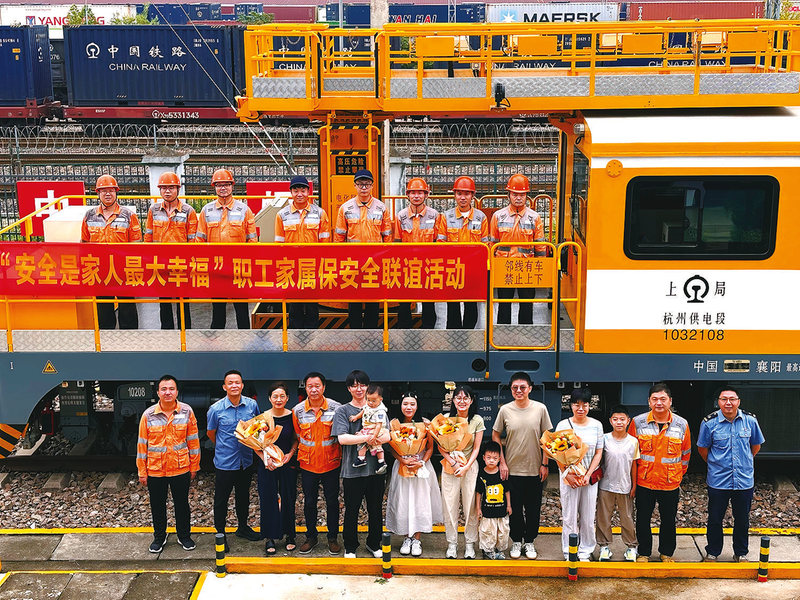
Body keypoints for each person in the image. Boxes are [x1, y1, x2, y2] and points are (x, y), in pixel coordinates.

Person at [698, 386, 765, 563]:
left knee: (742, 519)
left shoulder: (750, 421)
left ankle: (741, 553)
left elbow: (755, 446)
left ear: (738, 401)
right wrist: (716, 465)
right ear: (718, 402)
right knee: (715, 519)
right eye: (724, 399)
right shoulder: (709, 423)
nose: (728, 402)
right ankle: (713, 552)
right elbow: (703, 449)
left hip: (743, 480)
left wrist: (744, 462)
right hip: (718, 480)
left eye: (732, 399)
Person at [491, 371, 552, 560]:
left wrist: (545, 464)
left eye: (522, 387)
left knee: (533, 508)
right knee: (514, 508)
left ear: (530, 389)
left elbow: (547, 437)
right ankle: (516, 540)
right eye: (515, 387)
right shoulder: (505, 410)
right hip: (512, 469)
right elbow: (495, 435)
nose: (519, 390)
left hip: (535, 468)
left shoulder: (540, 409)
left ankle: (530, 541)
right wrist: (502, 462)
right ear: (511, 390)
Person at [137, 374, 200, 553]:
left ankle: (184, 536)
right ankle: (159, 537)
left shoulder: (187, 411)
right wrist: (142, 471)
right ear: (158, 392)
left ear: (177, 392)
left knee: (182, 504)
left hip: (180, 468)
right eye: (163, 389)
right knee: (157, 505)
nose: (167, 392)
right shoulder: (148, 415)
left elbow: (193, 441)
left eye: (171, 389)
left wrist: (194, 466)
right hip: (155, 470)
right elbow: (142, 445)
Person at [628, 383, 691, 563]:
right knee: (642, 518)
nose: (659, 403)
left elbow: (685, 454)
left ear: (670, 401)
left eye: (663, 399)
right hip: (644, 481)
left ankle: (666, 553)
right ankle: (644, 552)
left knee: (668, 519)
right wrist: (633, 482)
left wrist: (677, 475)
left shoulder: (681, 424)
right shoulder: (637, 422)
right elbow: (631, 453)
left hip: (670, 482)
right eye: (655, 399)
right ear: (649, 402)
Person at [332, 369, 391, 558]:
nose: (359, 389)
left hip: (376, 470)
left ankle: (374, 544)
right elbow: (342, 439)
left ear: (368, 387)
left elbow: (388, 435)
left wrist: (364, 437)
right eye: (354, 386)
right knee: (351, 509)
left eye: (363, 385)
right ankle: (350, 546)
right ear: (349, 388)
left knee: (375, 509)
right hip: (352, 470)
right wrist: (369, 437)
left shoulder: (379, 407)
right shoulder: (343, 411)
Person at [206, 369, 261, 551]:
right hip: (225, 462)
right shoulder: (216, 409)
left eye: (237, 382)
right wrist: (224, 447)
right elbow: (211, 433)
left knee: (243, 496)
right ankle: (220, 534)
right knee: (221, 499)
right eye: (230, 383)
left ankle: (243, 527)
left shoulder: (252, 405)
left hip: (245, 461)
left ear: (242, 385)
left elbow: (257, 428)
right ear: (224, 387)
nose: (234, 386)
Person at [196, 168, 257, 329]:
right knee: (218, 308)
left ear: (232, 186)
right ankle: (217, 339)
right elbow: (200, 241)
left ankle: (244, 338)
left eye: (226, 184)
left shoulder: (244, 210)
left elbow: (252, 240)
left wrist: (247, 265)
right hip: (216, 267)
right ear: (214, 187)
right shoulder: (206, 211)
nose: (223, 188)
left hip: (238, 267)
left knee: (241, 308)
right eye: (219, 185)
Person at [333, 170, 392, 329]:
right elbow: (339, 237)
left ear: (372, 186)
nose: (364, 187)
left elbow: (387, 237)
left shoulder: (381, 208)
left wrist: (385, 261)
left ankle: (372, 334)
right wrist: (341, 261)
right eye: (360, 184)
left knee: (373, 302)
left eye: (367, 184)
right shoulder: (345, 208)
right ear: (355, 186)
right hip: (353, 262)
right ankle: (355, 332)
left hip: (375, 263)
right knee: (354, 302)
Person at [81, 174, 141, 330]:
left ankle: (130, 339)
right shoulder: (89, 216)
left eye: (111, 190)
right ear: (98, 193)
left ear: (116, 192)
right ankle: (106, 340)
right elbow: (85, 243)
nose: (107, 194)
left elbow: (136, 244)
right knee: (103, 311)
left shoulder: (128, 215)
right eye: (103, 191)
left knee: (127, 309)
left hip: (123, 270)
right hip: (99, 271)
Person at [385, 394, 443, 557]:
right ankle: (406, 537)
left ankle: (416, 539)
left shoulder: (425, 424)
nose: (408, 407)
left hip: (420, 468)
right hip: (402, 467)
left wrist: (421, 462)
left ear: (417, 406)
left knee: (420, 501)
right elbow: (392, 448)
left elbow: (430, 448)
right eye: (405, 404)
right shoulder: (395, 424)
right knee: (404, 501)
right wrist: (403, 460)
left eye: (412, 404)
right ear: (401, 405)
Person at [293, 372, 343, 555]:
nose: (313, 389)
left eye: (317, 386)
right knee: (309, 502)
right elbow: (298, 436)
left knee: (332, 502)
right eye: (310, 386)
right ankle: (311, 537)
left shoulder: (336, 408)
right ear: (305, 388)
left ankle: (332, 538)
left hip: (331, 463)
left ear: (324, 387)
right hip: (308, 465)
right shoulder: (298, 411)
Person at [488, 173, 546, 325]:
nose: (518, 198)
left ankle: (526, 334)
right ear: (508, 195)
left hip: (527, 267)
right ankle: (503, 334)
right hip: (504, 266)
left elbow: (540, 247)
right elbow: (492, 244)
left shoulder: (534, 218)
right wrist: (492, 267)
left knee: (527, 304)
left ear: (526, 196)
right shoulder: (498, 216)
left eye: (522, 194)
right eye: (515, 194)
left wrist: (540, 268)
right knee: (503, 304)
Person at [274, 175, 330, 329]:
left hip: (313, 267)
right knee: (295, 306)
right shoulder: (282, 215)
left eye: (303, 190)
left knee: (312, 306)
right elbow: (279, 244)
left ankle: (312, 336)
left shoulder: (320, 213)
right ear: (291, 192)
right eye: (296, 190)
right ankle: (294, 336)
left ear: (308, 192)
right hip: (291, 267)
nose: (299, 194)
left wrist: (322, 267)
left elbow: (325, 243)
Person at [144, 171, 197, 330]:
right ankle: (166, 333)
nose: (167, 191)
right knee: (164, 302)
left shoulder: (188, 211)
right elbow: (148, 237)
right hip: (160, 263)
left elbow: (193, 240)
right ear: (160, 190)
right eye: (164, 188)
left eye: (171, 188)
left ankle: (185, 332)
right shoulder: (153, 210)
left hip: (181, 264)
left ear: (178, 189)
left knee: (183, 302)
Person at [555, 388, 604, 561]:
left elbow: (598, 452)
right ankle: (569, 550)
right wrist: (567, 474)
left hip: (588, 479)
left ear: (590, 406)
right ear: (571, 406)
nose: (580, 408)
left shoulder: (597, 425)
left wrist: (588, 475)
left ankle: (586, 550)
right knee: (569, 516)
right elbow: (556, 453)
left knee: (588, 516)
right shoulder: (563, 425)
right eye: (577, 404)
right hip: (569, 477)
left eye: (584, 405)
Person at [439, 384, 485, 559]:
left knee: (470, 505)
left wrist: (466, 466)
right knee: (449, 505)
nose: (462, 401)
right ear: (453, 400)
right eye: (458, 398)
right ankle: (452, 543)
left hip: (469, 467)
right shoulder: (446, 418)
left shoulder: (477, 420)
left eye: (466, 398)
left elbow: (476, 448)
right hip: (449, 466)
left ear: (471, 400)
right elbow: (440, 446)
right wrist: (452, 462)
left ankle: (470, 543)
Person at [438, 176, 489, 329]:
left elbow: (485, 246)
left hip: (473, 269)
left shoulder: (481, 217)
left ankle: (469, 332)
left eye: (467, 193)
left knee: (471, 304)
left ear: (472, 195)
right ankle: (454, 334)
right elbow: (441, 243)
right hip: (452, 268)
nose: (462, 197)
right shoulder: (446, 217)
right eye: (459, 193)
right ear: (454, 195)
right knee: (452, 305)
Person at [393, 177, 443, 329]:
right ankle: (404, 328)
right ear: (407, 195)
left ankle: (428, 328)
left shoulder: (435, 216)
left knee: (428, 301)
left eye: (420, 193)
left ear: (426, 195)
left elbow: (438, 242)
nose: (416, 196)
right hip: (406, 265)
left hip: (428, 265)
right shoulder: (401, 216)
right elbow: (397, 242)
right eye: (413, 193)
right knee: (404, 301)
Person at [256, 381, 299, 556]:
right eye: (275, 396)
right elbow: (255, 444)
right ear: (269, 398)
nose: (278, 399)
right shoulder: (263, 417)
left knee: (289, 498)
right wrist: (265, 460)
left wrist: (291, 453)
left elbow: (296, 439)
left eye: (282, 396)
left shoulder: (292, 416)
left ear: (287, 398)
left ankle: (289, 535)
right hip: (268, 464)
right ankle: (270, 537)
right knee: (268, 498)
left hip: (287, 463)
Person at [596, 404, 639, 562]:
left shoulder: (633, 441)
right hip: (606, 485)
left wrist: (634, 486)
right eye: (615, 419)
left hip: (625, 486)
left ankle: (631, 546)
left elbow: (634, 464)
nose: (619, 422)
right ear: (610, 421)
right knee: (603, 517)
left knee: (627, 517)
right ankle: (604, 546)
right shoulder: (604, 439)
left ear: (628, 421)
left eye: (622, 419)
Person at [476, 440, 512, 560]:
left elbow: (507, 490)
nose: (491, 460)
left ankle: (499, 549)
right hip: (487, 511)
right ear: (484, 458)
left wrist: (509, 505)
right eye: (489, 457)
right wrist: (478, 508)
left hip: (501, 510)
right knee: (488, 530)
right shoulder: (482, 474)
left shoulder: (502, 474)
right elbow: (479, 493)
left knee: (502, 531)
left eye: (495, 458)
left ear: (499, 459)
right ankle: (488, 550)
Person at [349, 383, 389, 473]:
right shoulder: (368, 406)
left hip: (376, 430)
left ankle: (381, 461)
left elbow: (378, 425)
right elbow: (363, 411)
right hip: (367, 428)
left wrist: (374, 435)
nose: (370, 403)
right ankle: (362, 458)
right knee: (362, 441)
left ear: (380, 399)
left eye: (374, 401)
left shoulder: (380, 411)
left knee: (375, 445)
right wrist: (356, 417)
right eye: (368, 399)